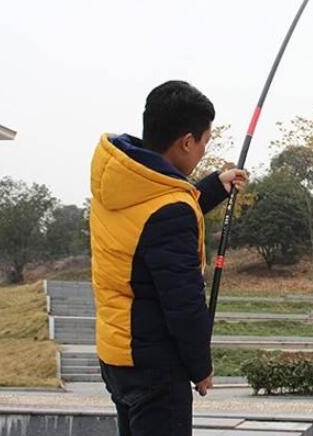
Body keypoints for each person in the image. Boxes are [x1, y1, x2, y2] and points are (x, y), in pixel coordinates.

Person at [89, 80, 247, 435]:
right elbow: (183, 304)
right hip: (156, 368)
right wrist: (200, 367)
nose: (205, 150)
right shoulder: (168, 211)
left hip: (118, 356)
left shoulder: (120, 182)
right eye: (205, 140)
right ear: (186, 142)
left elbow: (149, 225)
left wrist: (212, 186)